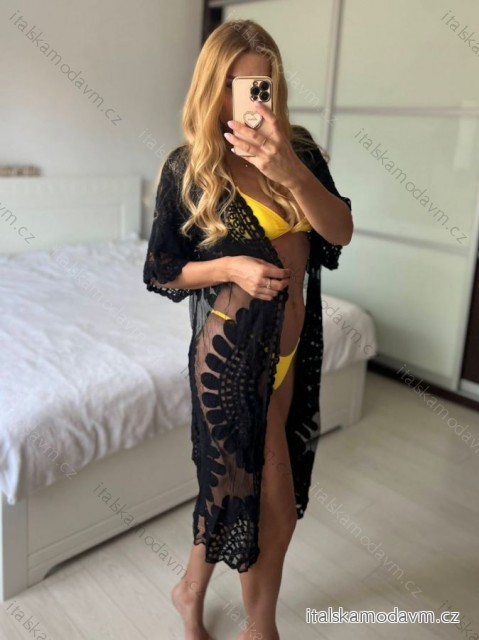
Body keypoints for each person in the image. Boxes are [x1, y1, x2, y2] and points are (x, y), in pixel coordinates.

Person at [143, 18, 353, 640]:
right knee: (271, 507)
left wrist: (290, 171)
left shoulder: (300, 153)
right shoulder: (190, 168)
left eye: (263, 85)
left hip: (289, 353)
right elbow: (161, 270)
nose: (253, 101)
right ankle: (262, 631)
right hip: (230, 358)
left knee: (230, 489)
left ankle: (188, 591)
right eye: (238, 86)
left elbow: (339, 232)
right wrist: (230, 266)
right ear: (214, 89)